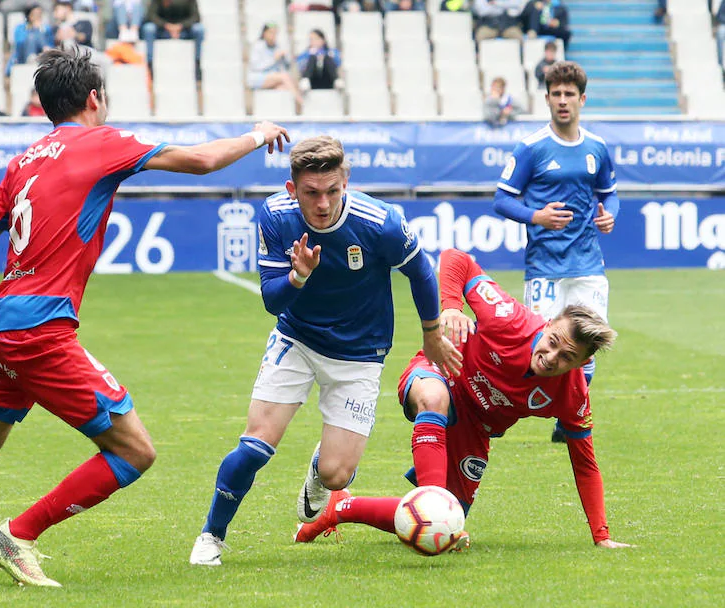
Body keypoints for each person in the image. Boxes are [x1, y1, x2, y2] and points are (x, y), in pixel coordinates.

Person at [0, 47, 289, 587]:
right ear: (94, 98)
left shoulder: (24, 160)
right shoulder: (104, 142)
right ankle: (18, 534)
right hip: (39, 327)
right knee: (134, 450)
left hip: (1, 322)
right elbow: (201, 160)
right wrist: (259, 133)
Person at [189, 135, 463, 567]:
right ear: (291, 189)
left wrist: (431, 332)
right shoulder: (276, 216)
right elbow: (272, 300)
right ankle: (212, 535)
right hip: (297, 339)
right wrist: (297, 277)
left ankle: (319, 472)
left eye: (333, 191)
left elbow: (421, 271)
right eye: (312, 193)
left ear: (346, 181)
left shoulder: (380, 222)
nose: (323, 203)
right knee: (257, 443)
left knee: (337, 474)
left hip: (360, 355)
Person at [294, 248, 632, 550]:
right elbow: (457, 258)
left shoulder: (573, 393)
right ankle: (431, 500)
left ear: (582, 363)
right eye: (553, 340)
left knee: (445, 524)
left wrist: (601, 535)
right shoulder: (510, 318)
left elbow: (585, 463)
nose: (551, 355)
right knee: (433, 399)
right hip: (440, 371)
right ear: (548, 323)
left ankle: (339, 509)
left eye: (567, 356)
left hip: (476, 428)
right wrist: (453, 306)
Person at [492, 61, 619, 443]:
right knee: (540, 349)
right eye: (556, 94)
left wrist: (609, 214)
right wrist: (537, 216)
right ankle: (501, 411)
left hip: (587, 263)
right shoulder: (531, 148)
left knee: (588, 345)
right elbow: (501, 199)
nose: (563, 101)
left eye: (570, 95)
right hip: (544, 265)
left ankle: (568, 421)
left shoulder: (597, 147)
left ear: (582, 99)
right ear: (547, 98)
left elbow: (609, 192)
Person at [141, 0, 204, 77]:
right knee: (149, 28)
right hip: (163, 30)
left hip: (183, 30)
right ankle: (149, 64)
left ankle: (198, 62)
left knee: (199, 29)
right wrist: (166, 26)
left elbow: (196, 17)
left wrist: (180, 26)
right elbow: (151, 15)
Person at [248, 23, 303, 107]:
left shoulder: (277, 46)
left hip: (273, 78)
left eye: (275, 33)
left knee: (285, 87)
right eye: (271, 32)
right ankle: (300, 102)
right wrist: (274, 59)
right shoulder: (258, 46)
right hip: (258, 78)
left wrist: (285, 58)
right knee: (284, 77)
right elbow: (256, 67)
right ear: (264, 33)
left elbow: (285, 67)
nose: (273, 35)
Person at [6, 4, 53, 75]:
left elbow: (50, 44)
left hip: (41, 55)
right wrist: (34, 30)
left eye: (39, 14)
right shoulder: (20, 28)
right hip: (22, 56)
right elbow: (20, 43)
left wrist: (39, 30)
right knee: (31, 37)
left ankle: (34, 59)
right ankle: (31, 58)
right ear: (29, 15)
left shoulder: (46, 28)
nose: (38, 17)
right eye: (35, 14)